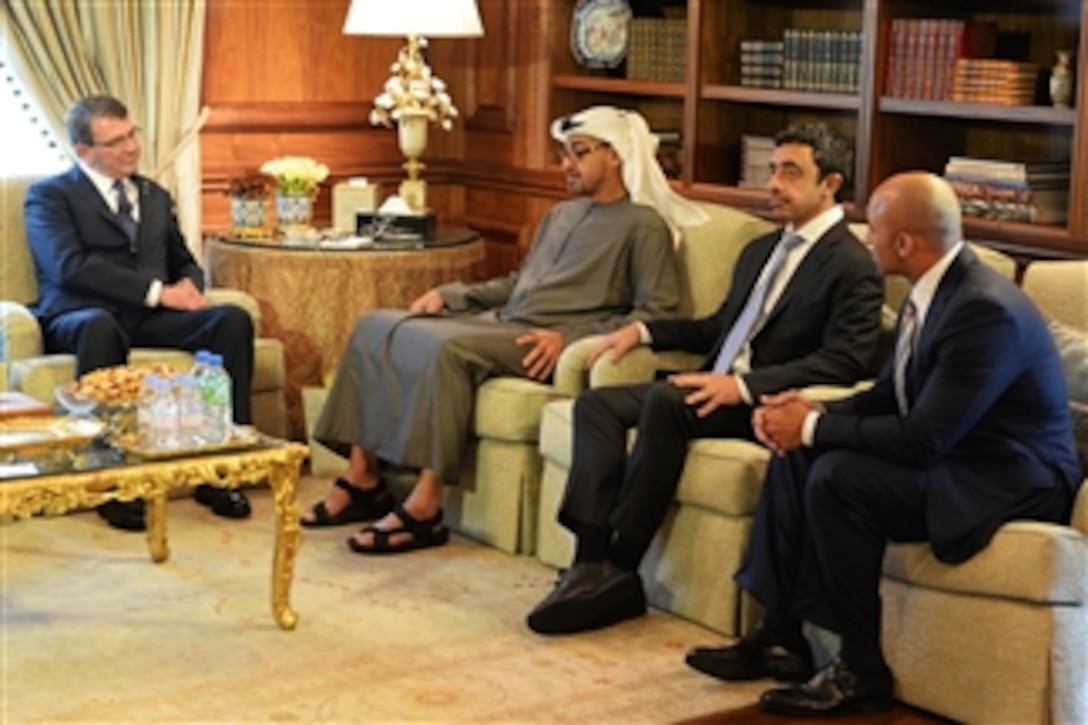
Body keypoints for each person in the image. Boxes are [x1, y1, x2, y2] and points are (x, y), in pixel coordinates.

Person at [684, 172, 1083, 717]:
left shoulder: (982, 310)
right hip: (958, 453)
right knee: (798, 455)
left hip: (1010, 479)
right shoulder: (936, 289)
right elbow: (889, 394)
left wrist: (812, 427)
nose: (864, 237)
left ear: (904, 243)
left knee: (838, 479)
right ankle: (779, 635)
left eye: (874, 229)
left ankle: (860, 669)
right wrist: (810, 413)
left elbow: (922, 438)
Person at [525, 121, 885, 636]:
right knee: (596, 405)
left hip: (765, 403)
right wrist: (643, 330)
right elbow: (720, 327)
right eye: (772, 169)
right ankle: (592, 561)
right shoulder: (762, 250)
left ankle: (621, 563)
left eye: (790, 172)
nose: (773, 184)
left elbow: (843, 362)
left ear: (830, 185)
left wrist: (741, 387)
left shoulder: (853, 266)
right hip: (709, 384)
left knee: (666, 404)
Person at [304, 106, 708, 554]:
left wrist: (571, 338)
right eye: (563, 154)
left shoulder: (644, 225)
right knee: (375, 324)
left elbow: (657, 312)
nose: (566, 165)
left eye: (578, 153)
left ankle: (426, 506)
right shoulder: (561, 215)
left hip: (541, 339)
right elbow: (519, 284)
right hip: (503, 322)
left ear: (615, 157)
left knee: (447, 348)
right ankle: (363, 477)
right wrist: (453, 295)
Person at [24, 94, 255, 531]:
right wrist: (157, 292)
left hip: (149, 318)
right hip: (80, 316)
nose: (131, 148)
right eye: (115, 142)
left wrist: (190, 286)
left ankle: (221, 467)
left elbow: (183, 260)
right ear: (84, 151)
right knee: (100, 325)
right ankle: (114, 481)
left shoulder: (153, 196)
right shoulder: (50, 196)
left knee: (230, 320)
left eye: (132, 135)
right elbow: (68, 267)